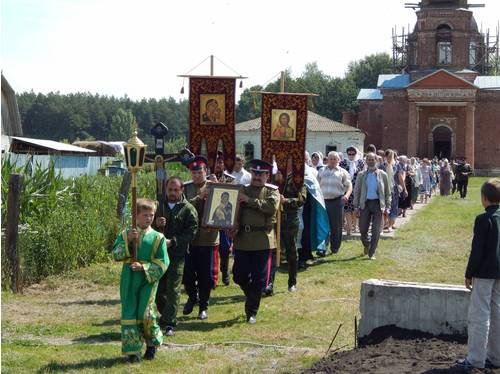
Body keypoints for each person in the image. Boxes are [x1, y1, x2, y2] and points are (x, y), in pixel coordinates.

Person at [112, 198, 169, 362]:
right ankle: (133, 351)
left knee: (145, 313)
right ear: (136, 216)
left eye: (151, 215)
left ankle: (151, 345)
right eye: (145, 215)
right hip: (129, 279)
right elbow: (116, 253)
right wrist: (129, 240)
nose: (149, 218)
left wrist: (144, 268)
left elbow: (163, 262)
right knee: (129, 312)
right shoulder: (126, 234)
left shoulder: (158, 238)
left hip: (147, 281)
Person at [229, 159, 280, 324]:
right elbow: (233, 209)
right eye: (255, 173)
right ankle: (251, 293)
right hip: (243, 239)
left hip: (262, 241)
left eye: (261, 174)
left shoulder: (272, 191)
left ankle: (252, 311)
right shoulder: (243, 189)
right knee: (238, 275)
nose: (257, 177)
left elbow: (270, 207)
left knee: (259, 278)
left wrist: (249, 201)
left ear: (267, 175)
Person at [457, 178, 500, 369]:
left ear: (484, 198)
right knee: (498, 314)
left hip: (483, 273)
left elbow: (477, 251)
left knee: (479, 316)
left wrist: (469, 273)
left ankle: (475, 359)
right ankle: (496, 356)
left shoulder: (484, 219)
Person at [154, 177, 198, 337]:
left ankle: (169, 323)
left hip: (177, 255)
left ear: (181, 190)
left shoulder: (188, 209)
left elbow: (191, 233)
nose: (172, 193)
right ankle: (165, 316)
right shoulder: (158, 207)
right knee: (159, 290)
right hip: (158, 255)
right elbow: (145, 225)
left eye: (175, 190)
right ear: (165, 190)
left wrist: (173, 242)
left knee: (173, 289)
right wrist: (155, 223)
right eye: (170, 190)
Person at [183, 156, 219, 320]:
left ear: (206, 172)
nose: (197, 175)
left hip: (208, 237)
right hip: (189, 239)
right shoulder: (185, 188)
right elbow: (183, 207)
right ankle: (192, 297)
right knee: (188, 274)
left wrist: (218, 189)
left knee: (206, 275)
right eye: (194, 172)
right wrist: (200, 196)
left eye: (200, 172)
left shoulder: (214, 186)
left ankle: (203, 306)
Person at [267, 169, 307, 293]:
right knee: (272, 250)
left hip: (290, 219)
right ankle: (269, 284)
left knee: (291, 251)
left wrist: (286, 201)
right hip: (274, 219)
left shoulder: (297, 178)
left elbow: (302, 199)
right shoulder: (271, 177)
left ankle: (292, 282)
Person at [353, 153, 391, 260]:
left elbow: (388, 192)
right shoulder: (361, 175)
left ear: (376, 161)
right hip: (365, 204)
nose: (371, 161)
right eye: (368, 159)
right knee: (362, 229)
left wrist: (387, 207)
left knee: (376, 230)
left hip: (378, 204)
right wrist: (356, 206)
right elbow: (357, 191)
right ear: (366, 161)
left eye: (372, 159)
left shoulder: (383, 174)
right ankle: (367, 244)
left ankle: (372, 252)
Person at [318, 151, 352, 254]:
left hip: (337, 201)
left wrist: (346, 195)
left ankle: (335, 247)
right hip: (323, 201)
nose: (332, 160)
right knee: (323, 225)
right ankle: (322, 248)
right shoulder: (321, 171)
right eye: (330, 158)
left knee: (336, 226)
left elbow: (349, 186)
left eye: (334, 159)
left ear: (338, 160)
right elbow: (316, 184)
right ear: (327, 159)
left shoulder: (343, 172)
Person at [339, 146, 365, 236]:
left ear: (356, 153)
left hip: (358, 189)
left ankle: (355, 225)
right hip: (346, 190)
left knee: (356, 208)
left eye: (353, 153)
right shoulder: (343, 163)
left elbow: (363, 175)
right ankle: (349, 227)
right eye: (349, 153)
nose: (351, 155)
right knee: (347, 209)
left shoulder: (361, 162)